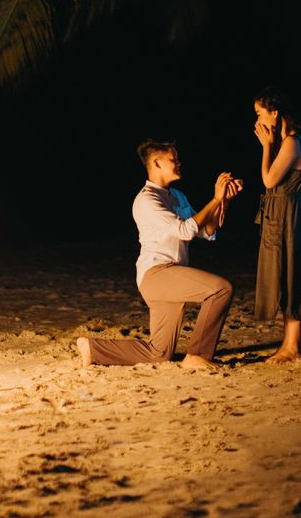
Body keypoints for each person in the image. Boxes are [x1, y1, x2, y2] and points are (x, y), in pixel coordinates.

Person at [76, 140, 242, 371]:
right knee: (220, 289)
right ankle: (197, 355)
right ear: (156, 162)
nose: (179, 163)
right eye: (174, 159)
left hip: (169, 276)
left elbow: (206, 231)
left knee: (159, 353)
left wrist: (224, 200)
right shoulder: (146, 200)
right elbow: (185, 230)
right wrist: (214, 199)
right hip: (157, 274)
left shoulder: (177, 196)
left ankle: (95, 349)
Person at [253, 86, 301, 363]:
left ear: (274, 113)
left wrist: (265, 147)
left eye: (259, 113)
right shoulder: (287, 142)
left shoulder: (292, 142)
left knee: (291, 274)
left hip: (289, 215)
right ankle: (289, 344)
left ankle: (293, 346)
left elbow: (269, 180)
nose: (257, 121)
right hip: (282, 213)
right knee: (285, 274)